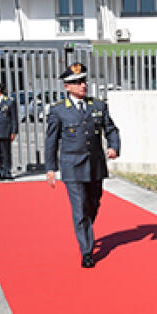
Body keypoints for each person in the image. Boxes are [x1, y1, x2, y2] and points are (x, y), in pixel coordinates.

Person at [44, 62, 121, 269]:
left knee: (93, 204)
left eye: (83, 81)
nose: (82, 85)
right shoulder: (59, 111)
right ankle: (87, 251)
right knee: (79, 208)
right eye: (76, 82)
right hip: (72, 166)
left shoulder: (98, 106)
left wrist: (113, 147)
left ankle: (86, 229)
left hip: (95, 164)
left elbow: (111, 129)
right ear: (66, 87)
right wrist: (50, 168)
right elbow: (51, 141)